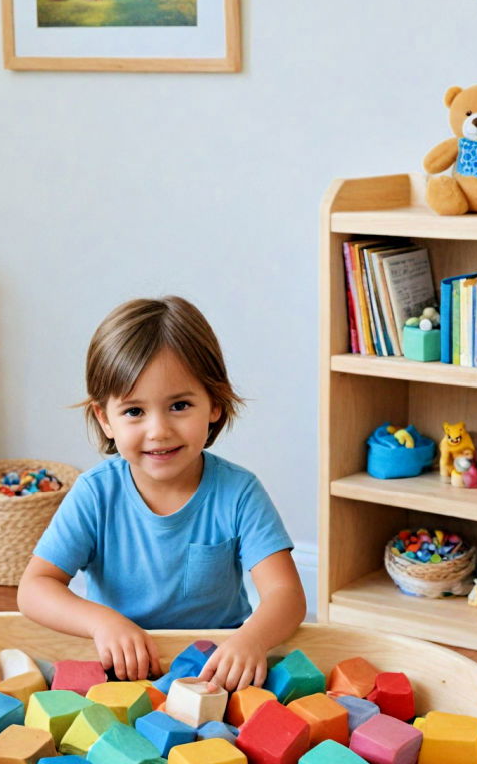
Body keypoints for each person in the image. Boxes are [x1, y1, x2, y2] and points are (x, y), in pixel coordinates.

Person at [17, 296, 306, 691]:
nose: (158, 431)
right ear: (105, 419)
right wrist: (103, 622)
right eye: (134, 411)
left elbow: (286, 594)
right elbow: (34, 588)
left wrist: (251, 639)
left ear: (214, 405)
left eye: (180, 405)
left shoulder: (239, 492)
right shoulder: (95, 493)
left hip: (216, 672)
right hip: (122, 668)